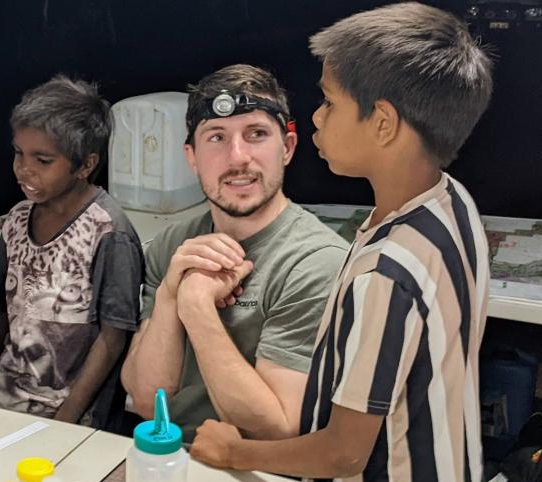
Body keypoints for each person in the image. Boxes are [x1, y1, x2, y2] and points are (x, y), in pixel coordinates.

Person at [190, 3, 493, 481]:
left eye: (330, 102)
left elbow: (343, 453)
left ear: (383, 123)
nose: (316, 117)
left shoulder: (387, 273)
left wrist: (235, 453)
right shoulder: (451, 199)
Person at [121, 64, 348, 441]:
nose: (238, 157)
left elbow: (274, 428)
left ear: (288, 148)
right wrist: (169, 295)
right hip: (173, 458)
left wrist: (194, 305)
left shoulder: (316, 262)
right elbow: (148, 400)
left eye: (256, 134)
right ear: (191, 157)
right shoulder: (171, 246)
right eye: (216, 138)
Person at [0, 75, 144, 429]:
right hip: (4, 403)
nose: (24, 168)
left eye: (43, 160)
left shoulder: (109, 232)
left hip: (73, 418)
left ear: (84, 165)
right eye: (19, 153)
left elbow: (113, 339)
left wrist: (63, 425)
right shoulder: (17, 220)